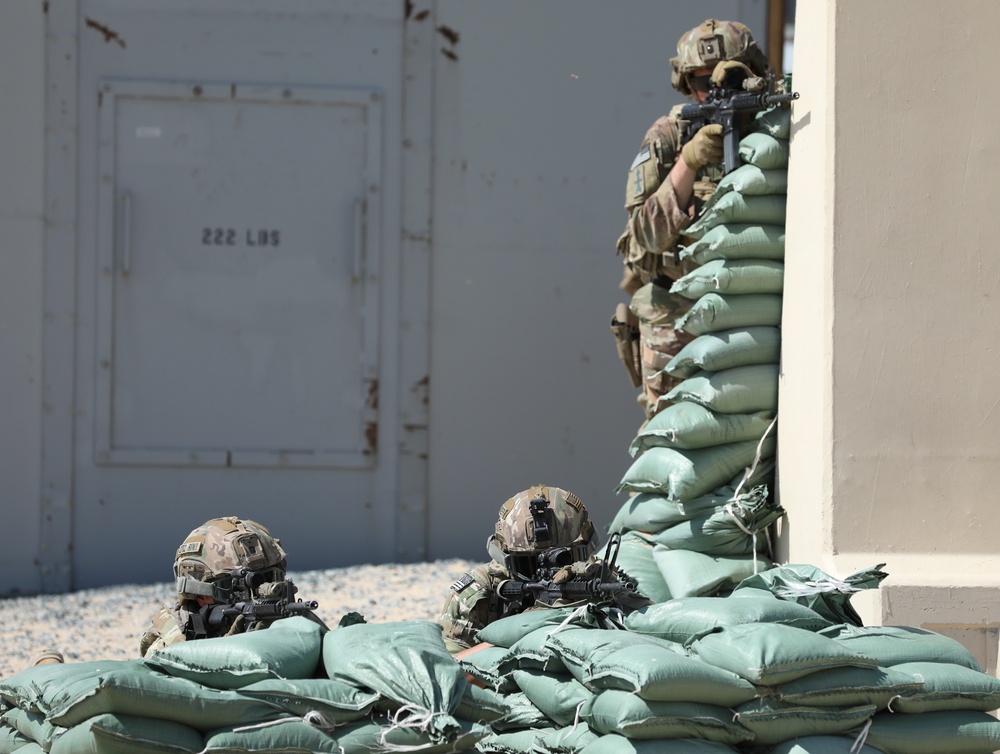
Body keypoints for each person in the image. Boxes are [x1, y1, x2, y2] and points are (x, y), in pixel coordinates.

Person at [614, 19, 770, 419]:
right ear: (686, 85)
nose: (715, 92)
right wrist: (689, 162)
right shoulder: (670, 135)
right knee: (675, 428)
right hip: (677, 313)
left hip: (754, 311)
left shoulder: (771, 131)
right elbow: (643, 237)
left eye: (729, 80)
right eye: (702, 83)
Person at [437, 485, 650, 656]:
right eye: (527, 564)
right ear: (505, 558)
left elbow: (653, 634)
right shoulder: (479, 591)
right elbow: (453, 675)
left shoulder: (596, 579)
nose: (552, 572)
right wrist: (527, 626)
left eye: (564, 558)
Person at [139, 515, 327, 657]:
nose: (258, 592)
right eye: (235, 588)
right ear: (200, 595)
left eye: (270, 577)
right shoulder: (175, 640)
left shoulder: (293, 619)